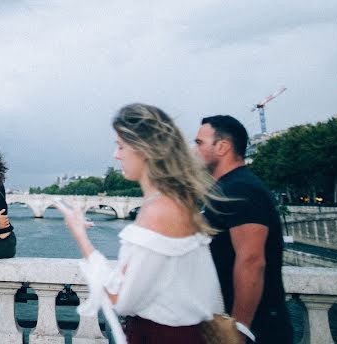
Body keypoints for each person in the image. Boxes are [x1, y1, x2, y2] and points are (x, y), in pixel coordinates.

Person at [56, 103, 223, 344]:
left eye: (120, 146)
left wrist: (80, 235)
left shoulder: (157, 211)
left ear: (143, 150)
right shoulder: (176, 201)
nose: (116, 155)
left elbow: (122, 299)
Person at [195, 115, 293, 343]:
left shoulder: (241, 190)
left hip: (260, 331)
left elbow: (251, 261)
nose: (195, 149)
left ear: (222, 147)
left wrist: (239, 331)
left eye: (200, 142)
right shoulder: (228, 188)